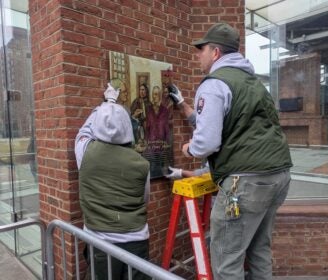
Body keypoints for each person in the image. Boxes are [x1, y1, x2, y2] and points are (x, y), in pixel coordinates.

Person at [168, 22, 293, 280]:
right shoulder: (253, 83)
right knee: (259, 249)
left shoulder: (214, 83)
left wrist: (189, 148)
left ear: (215, 52)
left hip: (245, 183)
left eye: (201, 50)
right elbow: (234, 125)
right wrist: (182, 105)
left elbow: (208, 142)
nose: (197, 55)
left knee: (227, 260)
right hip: (278, 176)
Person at [75, 83, 151, 280]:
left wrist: (106, 104)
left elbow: (84, 132)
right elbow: (145, 198)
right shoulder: (142, 163)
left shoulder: (85, 152)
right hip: (136, 241)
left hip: (100, 241)